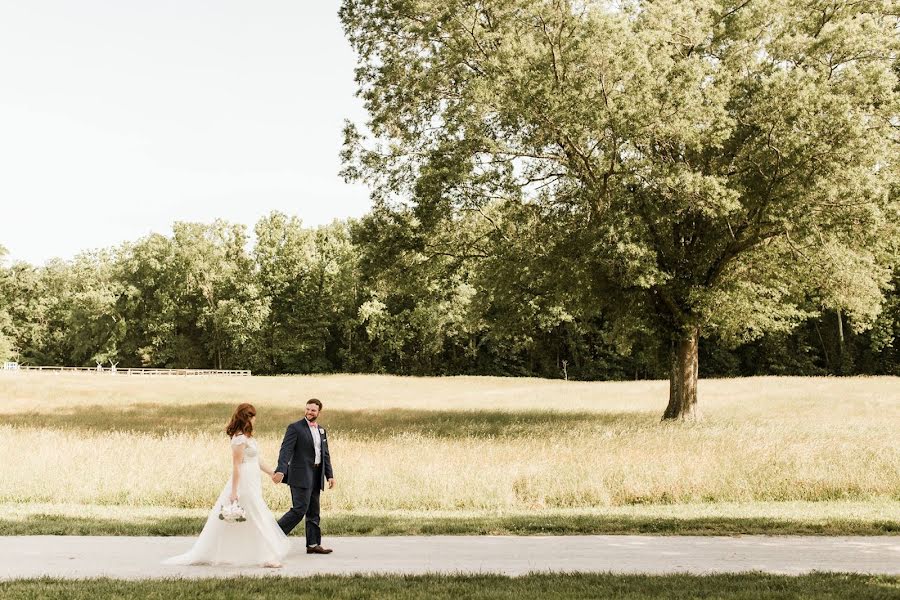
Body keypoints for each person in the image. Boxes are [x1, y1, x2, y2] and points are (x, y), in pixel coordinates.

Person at [163, 403, 290, 567]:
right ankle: (266, 557)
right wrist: (234, 491)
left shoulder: (248, 438)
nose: (255, 420)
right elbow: (237, 465)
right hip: (243, 480)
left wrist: (271, 473)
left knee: (250, 517)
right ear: (248, 418)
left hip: (253, 480)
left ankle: (241, 553)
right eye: (253, 417)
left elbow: (256, 459)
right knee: (257, 515)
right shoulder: (239, 439)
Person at [273, 398, 335, 554]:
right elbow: (285, 450)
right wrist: (281, 470)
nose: (309, 412)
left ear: (319, 412)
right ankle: (272, 537)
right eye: (307, 409)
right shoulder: (295, 428)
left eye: (313, 410)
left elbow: (325, 454)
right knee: (299, 509)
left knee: (314, 510)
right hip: (300, 474)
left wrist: (330, 475)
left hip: (316, 474)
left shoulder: (321, 430)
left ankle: (313, 544)